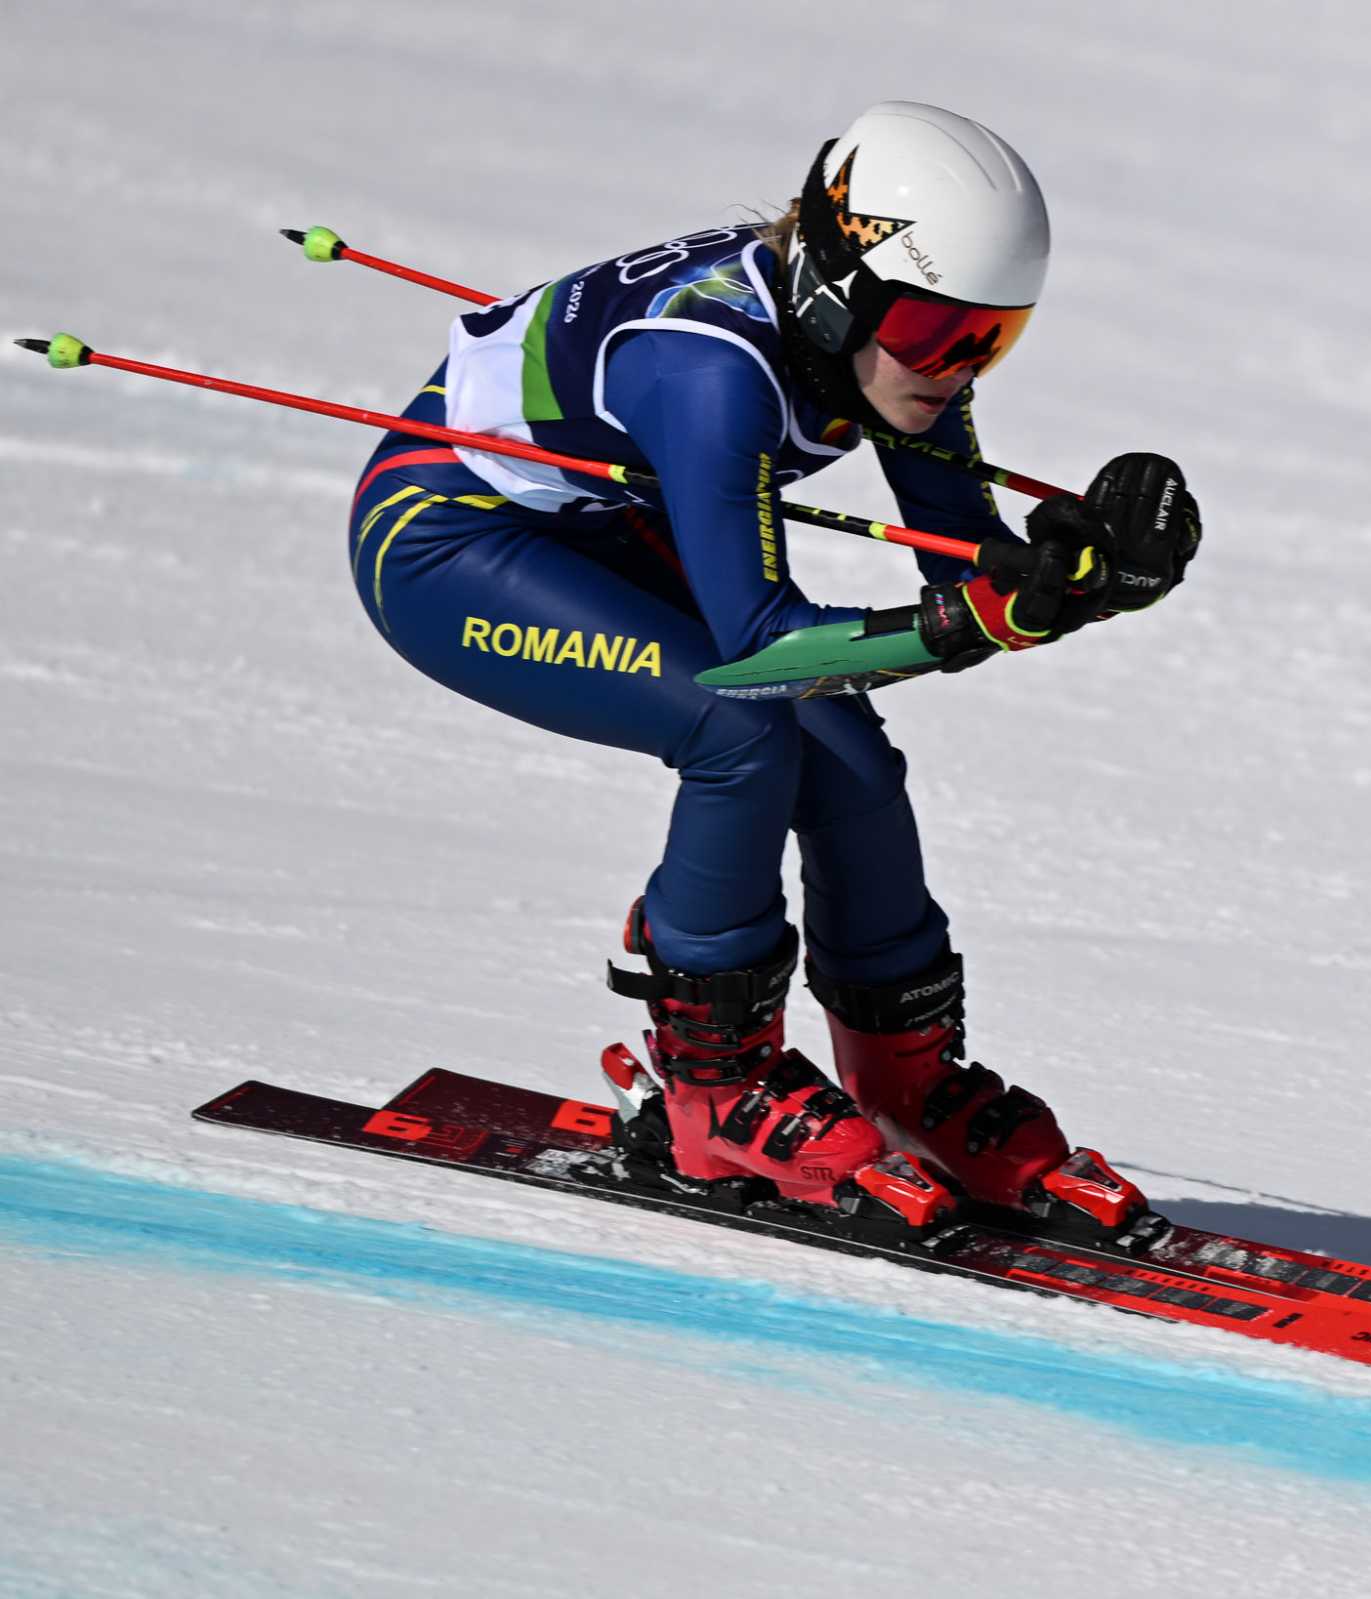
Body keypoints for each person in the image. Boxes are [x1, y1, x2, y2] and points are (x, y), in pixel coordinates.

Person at [344, 101, 1200, 1237]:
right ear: (840, 289)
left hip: (601, 526)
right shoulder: (710, 373)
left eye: (994, 338)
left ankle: (904, 1087)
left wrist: (1078, 576)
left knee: (845, 752)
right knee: (738, 728)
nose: (955, 369)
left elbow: (965, 549)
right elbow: (761, 646)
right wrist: (984, 621)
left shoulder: (885, 339)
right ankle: (709, 1088)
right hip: (448, 545)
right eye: (941, 332)